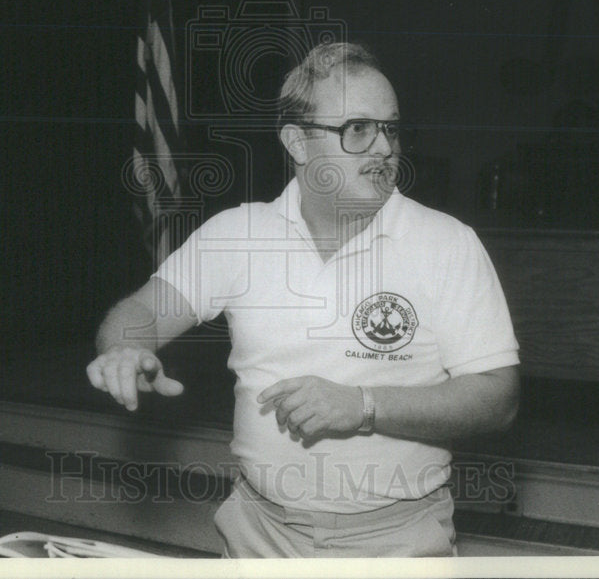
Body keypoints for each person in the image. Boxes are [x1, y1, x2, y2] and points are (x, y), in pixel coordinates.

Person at [87, 42, 520, 557]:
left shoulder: (447, 243)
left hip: (398, 541)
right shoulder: (237, 234)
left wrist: (363, 406)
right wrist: (123, 349)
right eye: (358, 129)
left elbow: (499, 398)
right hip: (258, 534)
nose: (383, 147)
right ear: (297, 141)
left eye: (391, 127)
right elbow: (139, 314)